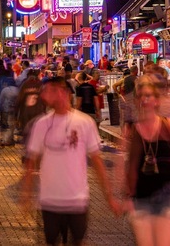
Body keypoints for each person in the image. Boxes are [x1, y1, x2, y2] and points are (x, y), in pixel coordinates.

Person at [21, 79, 119, 245]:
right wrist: (27, 196)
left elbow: (97, 162)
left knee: (78, 241)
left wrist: (109, 197)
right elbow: (31, 162)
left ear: (62, 91)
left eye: (48, 91)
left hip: (77, 199)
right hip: (50, 200)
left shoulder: (84, 122)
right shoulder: (41, 124)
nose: (43, 96)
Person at [125, 78, 170, 246]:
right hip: (141, 196)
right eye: (141, 96)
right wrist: (127, 195)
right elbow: (130, 166)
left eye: (148, 96)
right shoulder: (133, 130)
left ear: (156, 100)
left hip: (166, 193)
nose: (144, 100)